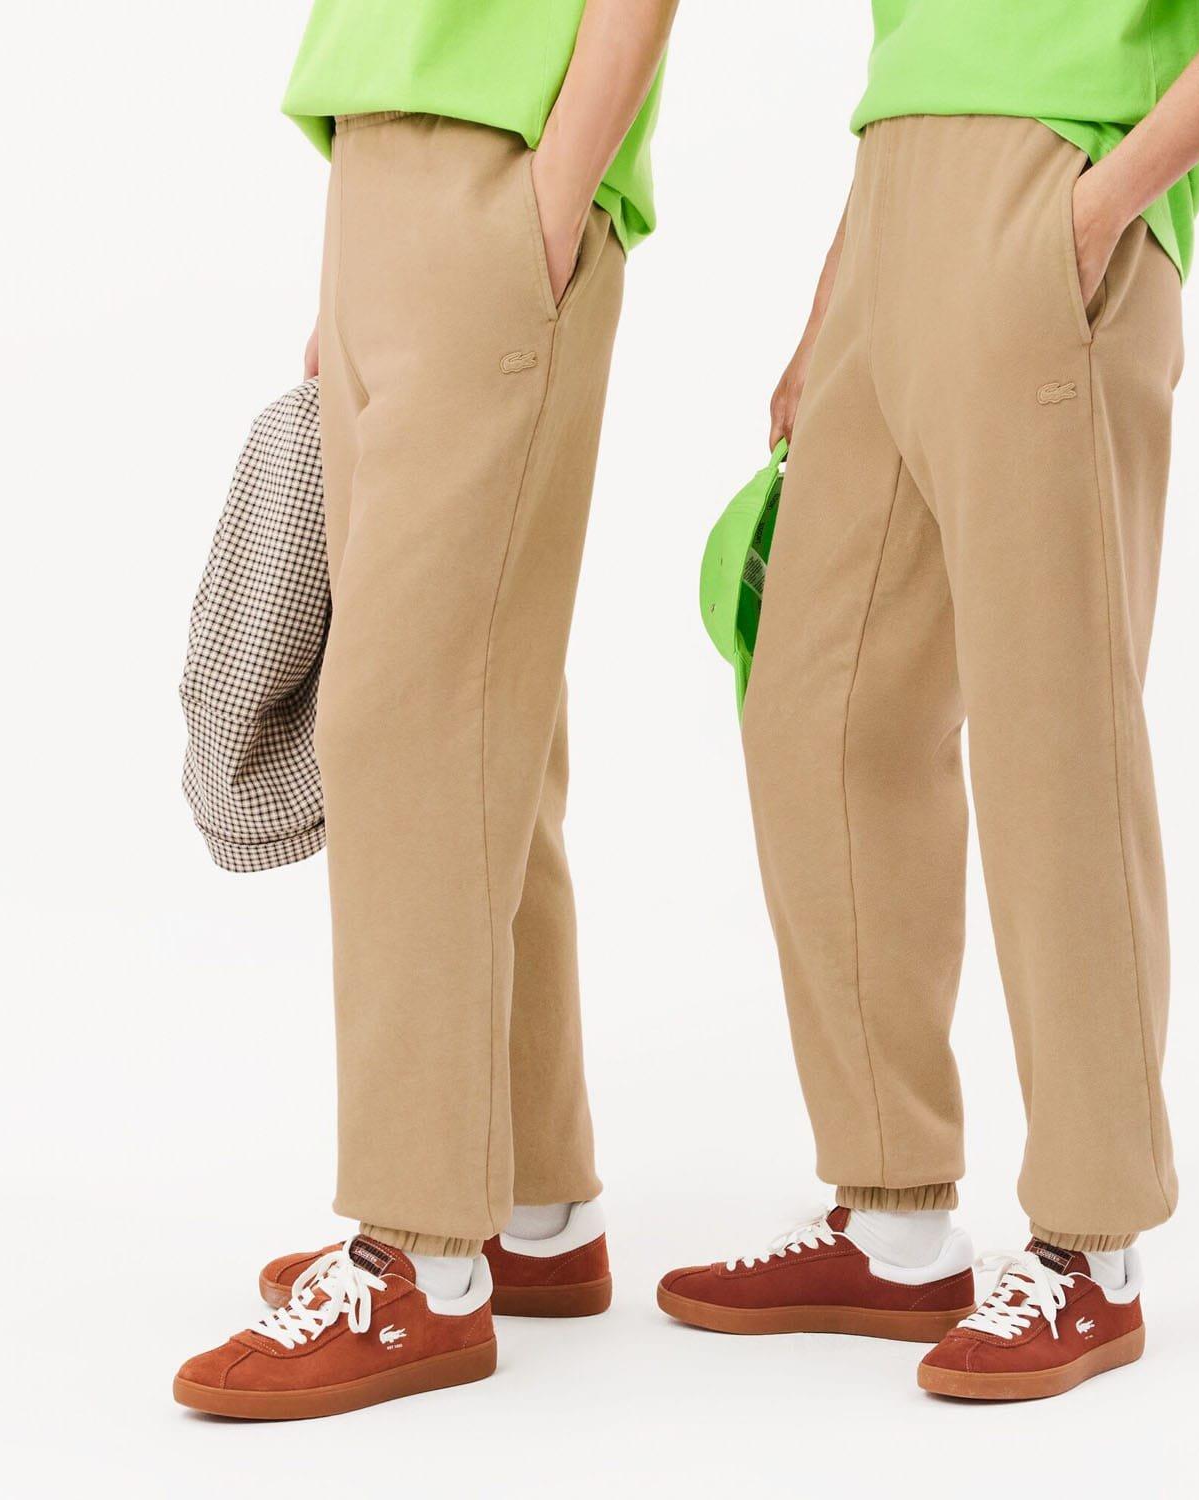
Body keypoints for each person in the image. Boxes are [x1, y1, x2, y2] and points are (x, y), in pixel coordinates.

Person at [658, 0, 1199, 1400]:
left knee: (1053, 730)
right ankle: (892, 1219)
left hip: (1056, 187)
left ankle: (1091, 1246)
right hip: (890, 208)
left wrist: (1106, 202)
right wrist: (838, 293)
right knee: (818, 711)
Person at [174, 0, 679, 1420]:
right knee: (489, 724)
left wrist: (551, 199)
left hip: (501, 172)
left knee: (407, 724)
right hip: (380, 175)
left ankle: (419, 1256)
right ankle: (533, 1209)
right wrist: (360, 251)